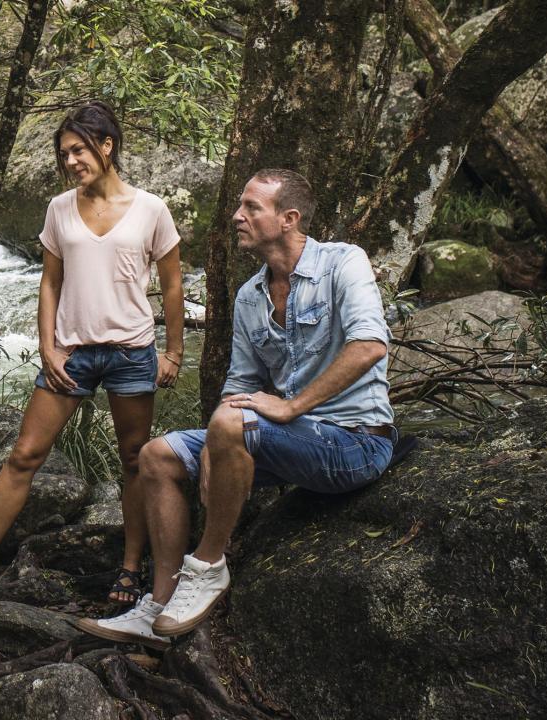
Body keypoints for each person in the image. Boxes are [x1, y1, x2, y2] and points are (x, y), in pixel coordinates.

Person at [76, 169, 397, 649]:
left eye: (251, 208)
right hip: (294, 442)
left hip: (356, 442)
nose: (236, 215)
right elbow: (241, 386)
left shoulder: (342, 262)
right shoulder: (250, 296)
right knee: (156, 455)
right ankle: (159, 605)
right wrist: (214, 444)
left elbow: (370, 345)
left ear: (288, 219)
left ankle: (207, 568)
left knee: (229, 424)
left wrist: (290, 406)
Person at [0, 101, 186, 605]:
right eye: (64, 153)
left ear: (106, 146)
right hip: (72, 354)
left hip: (132, 351)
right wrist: (47, 344)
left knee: (134, 460)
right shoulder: (59, 209)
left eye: (79, 150)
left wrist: (173, 353)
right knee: (25, 455)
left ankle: (130, 570)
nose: (70, 161)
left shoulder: (151, 209)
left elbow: (173, 286)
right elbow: (50, 283)